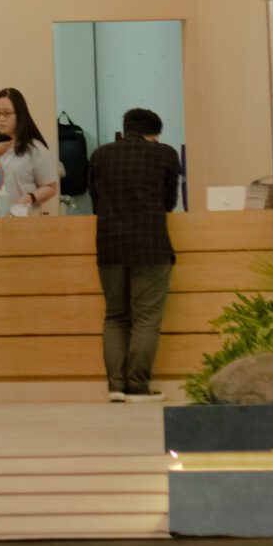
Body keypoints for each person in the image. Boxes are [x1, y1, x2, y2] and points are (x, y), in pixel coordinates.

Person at [88, 107, 182, 403]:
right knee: (146, 318)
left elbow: (96, 203)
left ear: (126, 128)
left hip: (109, 245)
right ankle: (138, 387)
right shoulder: (165, 154)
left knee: (115, 316)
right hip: (151, 245)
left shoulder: (100, 155)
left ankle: (116, 387)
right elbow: (169, 202)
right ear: (154, 134)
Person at [0, 87, 61, 217]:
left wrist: (29, 198)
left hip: (23, 218)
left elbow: (50, 187)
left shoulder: (34, 149)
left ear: (20, 115)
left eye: (7, 113)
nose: (1, 118)